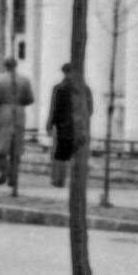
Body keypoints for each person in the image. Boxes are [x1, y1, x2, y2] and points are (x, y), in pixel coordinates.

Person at [0, 56, 36, 188]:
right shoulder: (24, 80)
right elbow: (30, 99)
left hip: (3, 114)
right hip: (19, 114)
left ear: (5, 66)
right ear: (16, 65)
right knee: (16, 148)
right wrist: (19, 102)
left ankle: (5, 171)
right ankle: (14, 176)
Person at [46, 59, 92, 189]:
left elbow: (54, 108)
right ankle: (77, 181)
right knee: (78, 153)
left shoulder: (59, 88)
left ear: (64, 72)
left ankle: (58, 180)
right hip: (80, 126)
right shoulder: (85, 89)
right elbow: (90, 109)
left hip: (63, 126)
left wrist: (50, 124)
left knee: (60, 154)